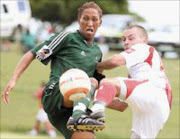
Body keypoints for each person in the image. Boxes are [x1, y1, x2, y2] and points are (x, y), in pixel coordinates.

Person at [2, 2, 105, 139]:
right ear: (78, 21)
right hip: (54, 94)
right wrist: (13, 79)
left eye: (94, 19)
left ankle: (78, 115)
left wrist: (124, 99)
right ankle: (78, 116)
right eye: (85, 18)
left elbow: (96, 88)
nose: (90, 23)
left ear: (100, 23)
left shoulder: (97, 52)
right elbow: (32, 53)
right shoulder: (67, 38)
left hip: (69, 110)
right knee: (90, 81)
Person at [90, 25, 173, 139]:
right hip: (158, 106)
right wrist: (92, 94)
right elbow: (121, 106)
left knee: (107, 82)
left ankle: (95, 112)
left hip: (154, 91)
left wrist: (96, 67)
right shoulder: (138, 73)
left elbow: (114, 61)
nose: (126, 42)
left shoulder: (143, 48)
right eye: (124, 39)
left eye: (131, 38)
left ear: (144, 40)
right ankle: (96, 110)